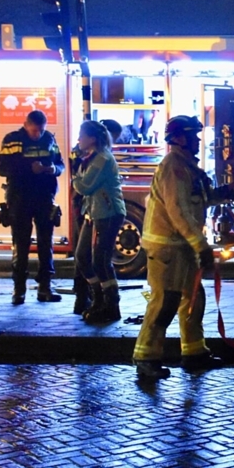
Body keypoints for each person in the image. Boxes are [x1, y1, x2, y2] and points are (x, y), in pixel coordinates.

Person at [132, 115, 234, 380]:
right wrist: (200, 246)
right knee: (164, 302)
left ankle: (193, 353)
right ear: (179, 138)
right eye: (193, 135)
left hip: (182, 246)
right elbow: (178, 210)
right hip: (167, 248)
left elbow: (198, 199)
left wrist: (225, 194)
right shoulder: (173, 168)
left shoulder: (188, 167)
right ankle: (145, 358)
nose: (197, 140)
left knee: (193, 300)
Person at [0, 110, 66, 304]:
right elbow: (2, 168)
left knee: (46, 243)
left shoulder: (49, 139)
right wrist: (29, 169)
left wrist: (54, 169)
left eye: (41, 130)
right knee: (21, 243)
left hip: (45, 197)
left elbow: (60, 164)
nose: (38, 134)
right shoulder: (12, 140)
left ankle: (45, 287)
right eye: (35, 130)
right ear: (26, 125)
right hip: (20, 197)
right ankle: (19, 289)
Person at [73, 121, 127, 324]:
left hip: (108, 213)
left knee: (101, 260)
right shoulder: (91, 157)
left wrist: (74, 178)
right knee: (82, 257)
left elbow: (85, 186)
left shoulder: (102, 159)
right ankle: (98, 299)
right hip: (93, 212)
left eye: (81, 135)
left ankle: (111, 305)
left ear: (92, 139)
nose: (78, 139)